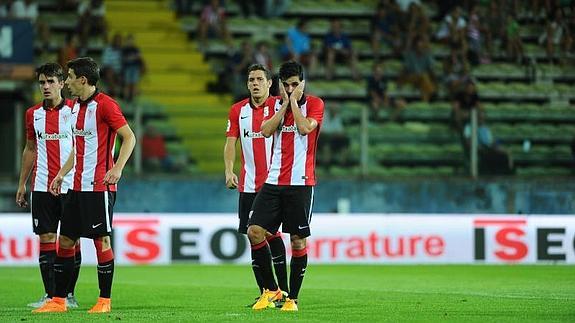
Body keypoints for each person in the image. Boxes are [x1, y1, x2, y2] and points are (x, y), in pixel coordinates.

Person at [33, 57, 136, 314]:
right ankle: (58, 301)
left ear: (82, 79)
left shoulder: (106, 105)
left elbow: (129, 137)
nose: (66, 81)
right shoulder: (76, 108)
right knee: (66, 240)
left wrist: (117, 167)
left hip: (98, 187)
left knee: (101, 241)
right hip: (76, 187)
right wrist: (60, 174)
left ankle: (104, 301)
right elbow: (77, 149)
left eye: (68, 77)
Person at [247, 61, 324, 311]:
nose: (290, 89)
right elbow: (266, 130)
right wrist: (283, 105)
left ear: (302, 83)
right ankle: (272, 290)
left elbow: (304, 128)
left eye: (294, 85)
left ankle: (293, 299)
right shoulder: (274, 105)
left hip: (300, 183)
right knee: (255, 231)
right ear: (280, 84)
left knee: (297, 241)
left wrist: (292, 102)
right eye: (286, 85)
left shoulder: (314, 104)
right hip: (273, 181)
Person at [16, 62, 81, 309]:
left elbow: (82, 146)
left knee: (70, 240)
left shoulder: (75, 111)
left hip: (71, 185)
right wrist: (22, 184)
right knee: (46, 237)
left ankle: (69, 295)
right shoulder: (32, 114)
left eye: (51, 81)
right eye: (42, 82)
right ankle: (50, 295)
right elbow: (30, 148)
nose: (45, 86)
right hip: (41, 185)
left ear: (62, 83)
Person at [224, 64, 288, 305]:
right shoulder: (237, 110)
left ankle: (282, 290)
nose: (255, 83)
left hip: (273, 184)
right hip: (248, 185)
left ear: (270, 83)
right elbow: (231, 143)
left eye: (260, 79)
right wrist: (229, 171)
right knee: (253, 237)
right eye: (251, 79)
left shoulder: (279, 106)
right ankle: (266, 292)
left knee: (270, 233)